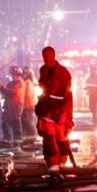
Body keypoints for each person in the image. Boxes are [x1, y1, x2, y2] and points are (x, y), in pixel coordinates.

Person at [36, 46, 74, 181]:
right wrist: (40, 115)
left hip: (60, 113)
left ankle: (61, 168)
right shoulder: (43, 70)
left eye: (47, 56)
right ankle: (54, 172)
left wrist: (65, 116)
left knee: (62, 141)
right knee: (49, 142)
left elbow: (68, 96)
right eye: (43, 57)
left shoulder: (63, 73)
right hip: (47, 113)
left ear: (53, 56)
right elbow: (42, 94)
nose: (45, 59)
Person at [0, 66, 24, 147]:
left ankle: (17, 141)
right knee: (5, 123)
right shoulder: (11, 83)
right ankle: (7, 140)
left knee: (16, 123)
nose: (13, 76)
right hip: (8, 106)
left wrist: (2, 86)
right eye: (12, 74)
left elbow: (13, 92)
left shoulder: (20, 84)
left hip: (16, 106)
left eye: (14, 74)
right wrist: (1, 87)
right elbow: (5, 91)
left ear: (19, 75)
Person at [19, 67, 38, 147]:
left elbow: (27, 95)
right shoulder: (28, 82)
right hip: (28, 105)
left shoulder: (27, 83)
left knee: (28, 122)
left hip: (27, 106)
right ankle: (26, 140)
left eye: (23, 74)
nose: (22, 76)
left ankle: (31, 139)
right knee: (25, 123)